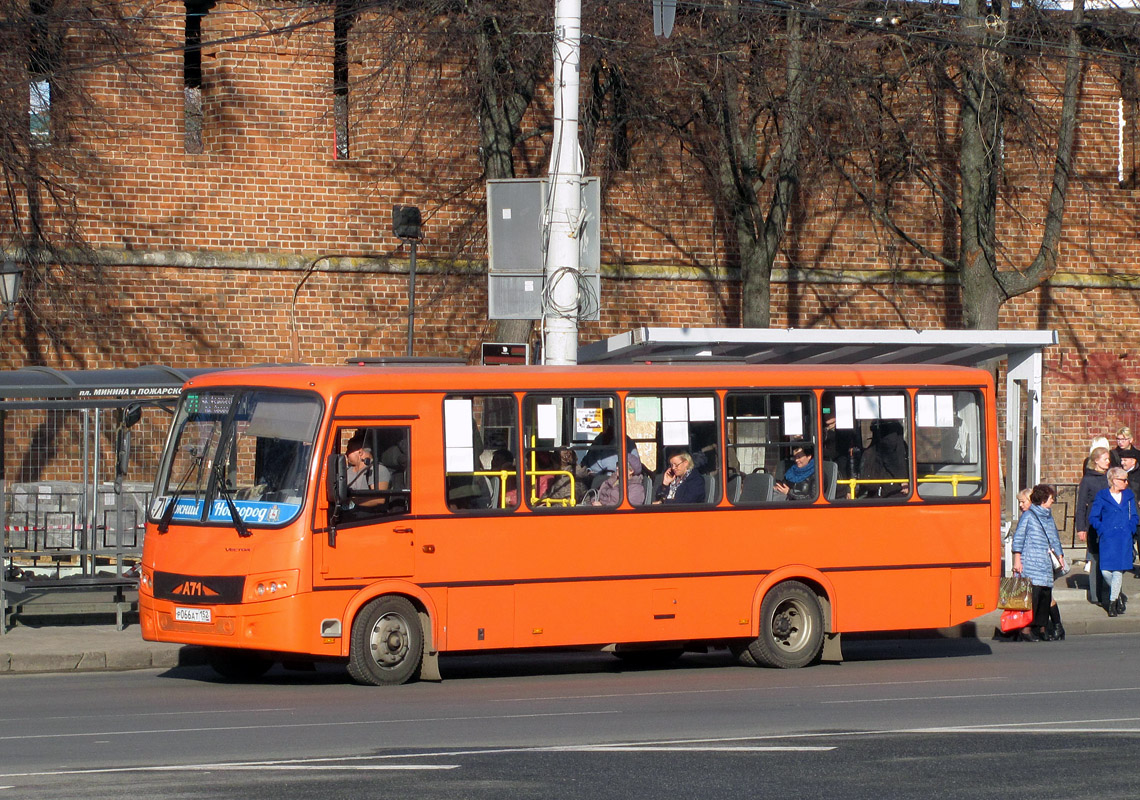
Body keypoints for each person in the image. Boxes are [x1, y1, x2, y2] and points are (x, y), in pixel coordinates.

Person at [1011, 484, 1067, 641]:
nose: (1053, 501)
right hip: (1031, 563)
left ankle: (1041, 629)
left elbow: (1054, 537)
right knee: (1032, 599)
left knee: (1044, 597)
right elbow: (1019, 538)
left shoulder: (1048, 516)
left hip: (1045, 563)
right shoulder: (1028, 516)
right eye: (1051, 498)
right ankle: (1025, 630)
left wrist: (1060, 555)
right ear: (1043, 500)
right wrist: (1017, 559)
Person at [1088, 466, 1139, 617]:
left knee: (1118, 571)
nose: (1126, 483)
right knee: (1105, 571)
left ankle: (1112, 603)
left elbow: (1135, 516)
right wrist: (1102, 529)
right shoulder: (1102, 496)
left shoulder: (1128, 496)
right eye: (1123, 480)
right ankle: (1118, 595)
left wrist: (1130, 528)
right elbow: (1094, 517)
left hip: (1123, 538)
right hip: (1108, 539)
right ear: (1114, 481)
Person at [1076, 445, 1111, 605]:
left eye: (1108, 458)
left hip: (1110, 524)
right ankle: (1096, 595)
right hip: (1094, 525)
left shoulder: (1110, 477)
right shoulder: (1088, 479)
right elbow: (1081, 504)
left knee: (1110, 558)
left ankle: (1110, 592)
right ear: (1096, 461)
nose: (1108, 462)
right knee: (1096, 559)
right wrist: (1081, 528)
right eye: (1105, 459)